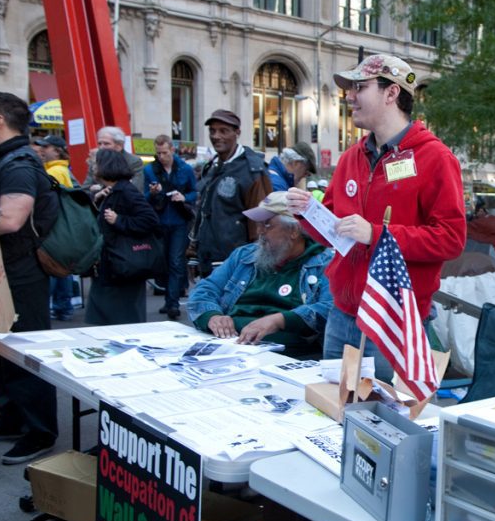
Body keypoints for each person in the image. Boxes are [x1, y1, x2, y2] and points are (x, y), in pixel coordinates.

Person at [284, 54, 466, 380]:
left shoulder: (436, 157)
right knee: (332, 416)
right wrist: (307, 214)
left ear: (391, 93)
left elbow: (451, 240)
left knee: (386, 423)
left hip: (393, 321)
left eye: (360, 87)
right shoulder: (353, 156)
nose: (349, 96)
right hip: (342, 314)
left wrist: (378, 234)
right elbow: (336, 230)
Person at [0, 91, 60, 464]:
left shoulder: (19, 164)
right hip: (3, 269)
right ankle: (12, 418)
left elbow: (11, 219)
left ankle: (39, 431)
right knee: (0, 350)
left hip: (22, 271)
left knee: (23, 353)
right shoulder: (3, 158)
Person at [186, 192, 333, 358]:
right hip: (232, 346)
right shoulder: (244, 256)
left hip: (288, 354)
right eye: (258, 224)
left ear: (294, 230)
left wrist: (279, 320)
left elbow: (330, 308)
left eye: (267, 225)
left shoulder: (325, 263)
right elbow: (205, 288)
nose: (259, 232)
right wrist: (212, 316)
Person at [192, 109, 272, 277]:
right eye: (212, 131)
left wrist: (255, 264)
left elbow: (260, 223)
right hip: (209, 259)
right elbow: (203, 212)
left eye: (223, 131)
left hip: (235, 263)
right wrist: (194, 249)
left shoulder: (253, 170)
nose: (216, 136)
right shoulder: (212, 166)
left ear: (237, 133)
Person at [85, 149, 160, 325]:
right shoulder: (114, 190)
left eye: (95, 163)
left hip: (123, 267)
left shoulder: (126, 191)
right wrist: (97, 201)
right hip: (113, 267)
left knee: (122, 320)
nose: (91, 166)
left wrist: (120, 220)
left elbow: (150, 220)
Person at [144, 134, 197, 320]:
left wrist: (184, 198)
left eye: (164, 152)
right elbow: (144, 197)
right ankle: (169, 300)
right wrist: (152, 193)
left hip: (179, 221)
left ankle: (173, 302)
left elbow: (194, 192)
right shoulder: (150, 170)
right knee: (163, 263)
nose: (161, 156)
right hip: (159, 222)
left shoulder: (185, 168)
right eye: (158, 153)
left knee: (175, 261)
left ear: (172, 150)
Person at [32, 134, 78, 321]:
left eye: (47, 147)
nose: (43, 150)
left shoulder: (55, 171)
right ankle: (63, 305)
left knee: (52, 264)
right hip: (59, 222)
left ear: (57, 151)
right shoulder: (56, 169)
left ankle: (58, 304)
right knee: (60, 265)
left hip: (54, 223)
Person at [84, 126, 145, 192]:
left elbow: (135, 189)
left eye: (106, 144)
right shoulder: (95, 161)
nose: (101, 147)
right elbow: (85, 189)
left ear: (119, 146)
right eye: (99, 143)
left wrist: (100, 188)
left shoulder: (133, 161)